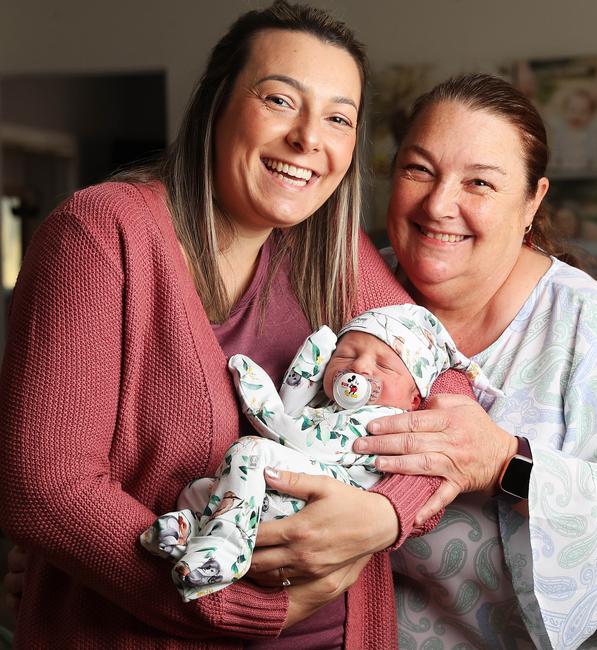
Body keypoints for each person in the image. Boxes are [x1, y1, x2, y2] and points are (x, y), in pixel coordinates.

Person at [0, 3, 470, 649]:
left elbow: (447, 393)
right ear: (217, 105)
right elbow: (45, 489)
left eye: (338, 117)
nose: (310, 138)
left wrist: (386, 514)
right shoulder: (102, 232)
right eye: (281, 100)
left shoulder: (330, 253)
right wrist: (240, 611)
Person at [349, 74, 597, 648]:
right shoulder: (354, 294)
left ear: (532, 201)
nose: (439, 204)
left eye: (479, 182)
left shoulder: (591, 326)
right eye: (419, 170)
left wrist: (505, 465)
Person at [140, 304, 499, 602]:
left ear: (414, 399)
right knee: (201, 490)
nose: (359, 368)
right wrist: (320, 348)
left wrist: (264, 407)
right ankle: (189, 535)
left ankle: (226, 549)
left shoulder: (385, 420)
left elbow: (298, 439)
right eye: (346, 354)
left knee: (249, 452)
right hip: (280, 499)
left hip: (318, 509)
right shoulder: (327, 410)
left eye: (384, 365)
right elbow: (295, 413)